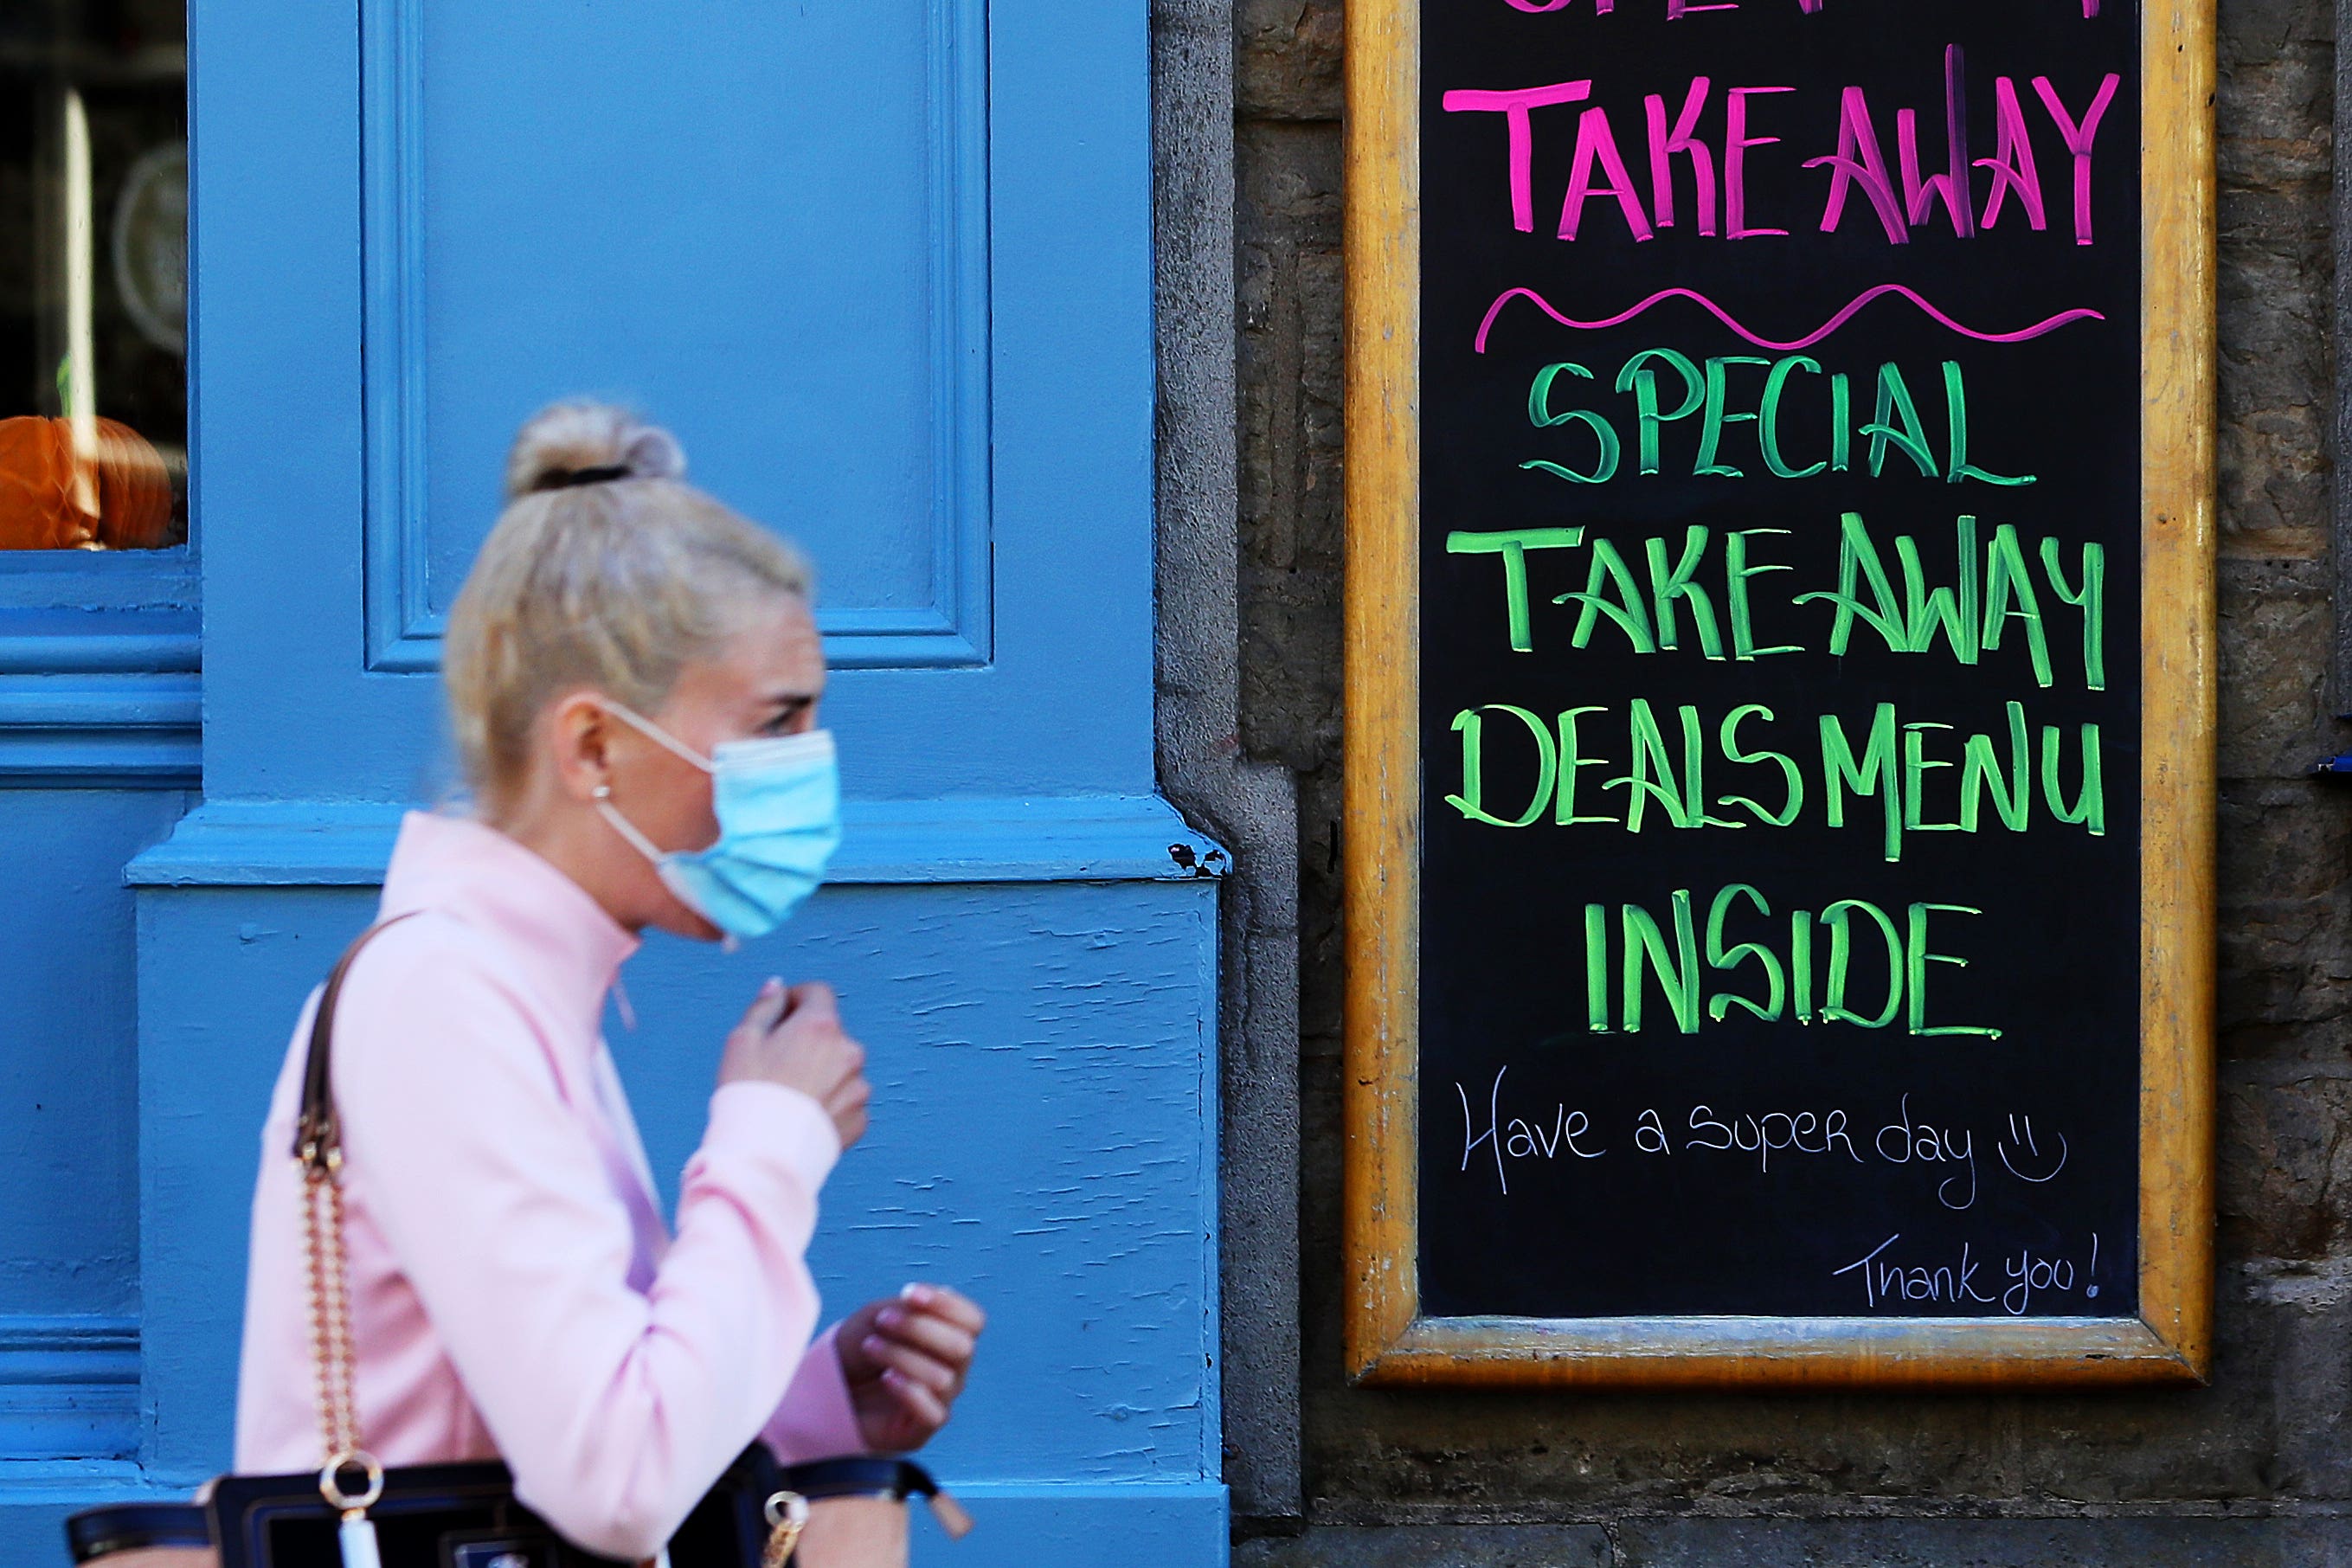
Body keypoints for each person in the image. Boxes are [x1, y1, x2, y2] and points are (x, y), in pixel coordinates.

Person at [231, 402, 984, 1563]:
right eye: (775, 724)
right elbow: (615, 1486)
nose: (806, 771)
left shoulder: (517, 987)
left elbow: (552, 1424)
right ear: (591, 748)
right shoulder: (448, 997)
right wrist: (771, 1143)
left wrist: (822, 1403)